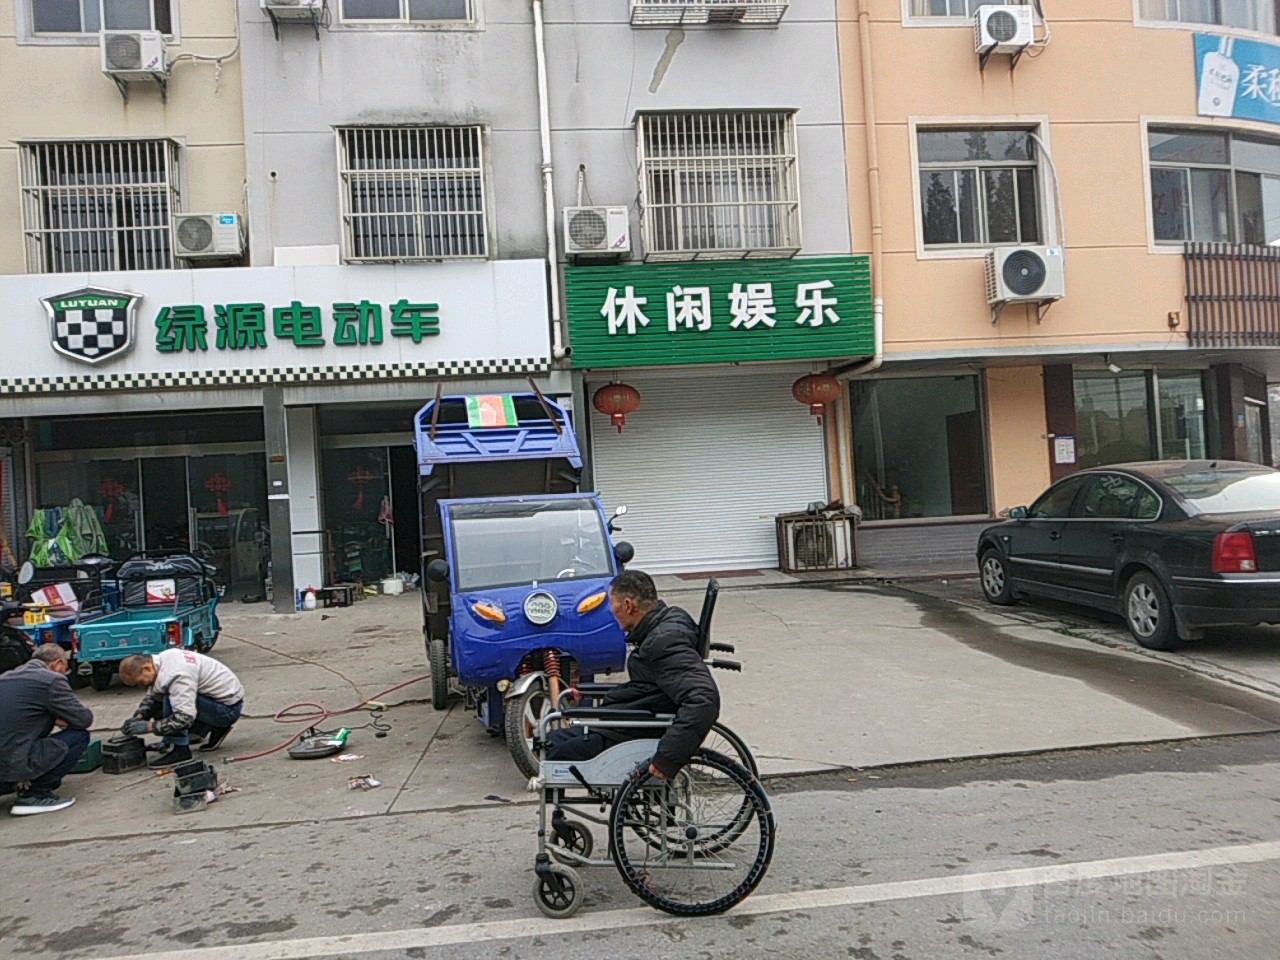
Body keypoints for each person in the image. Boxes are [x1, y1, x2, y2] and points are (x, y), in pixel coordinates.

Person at [545, 569, 720, 780]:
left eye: (613, 605)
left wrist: (667, 758)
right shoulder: (668, 622)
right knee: (551, 740)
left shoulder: (664, 641)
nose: (612, 611)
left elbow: (703, 698)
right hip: (632, 719)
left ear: (628, 605)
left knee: (554, 751)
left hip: (634, 729)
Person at [0, 643, 94, 815]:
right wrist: (60, 717)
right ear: (58, 663)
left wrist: (50, 717)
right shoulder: (51, 680)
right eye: (65, 669)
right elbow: (84, 719)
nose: (65, 673)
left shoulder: (5, 678)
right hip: (12, 764)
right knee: (78, 736)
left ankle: (16, 783)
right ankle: (35, 794)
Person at [118, 649, 245, 768]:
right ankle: (208, 728)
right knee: (167, 698)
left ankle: (181, 751)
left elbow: (184, 718)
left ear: (147, 668)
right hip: (223, 701)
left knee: (170, 700)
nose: (141, 687)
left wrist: (150, 727)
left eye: (140, 682)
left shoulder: (177, 675)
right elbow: (154, 696)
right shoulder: (165, 659)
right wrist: (140, 716)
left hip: (227, 710)